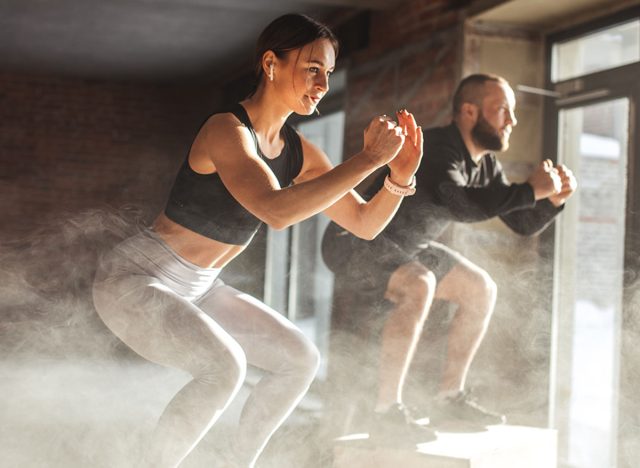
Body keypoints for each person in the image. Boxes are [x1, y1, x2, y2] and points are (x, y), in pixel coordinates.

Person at [92, 13, 424, 468]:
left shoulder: (300, 152)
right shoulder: (226, 131)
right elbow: (275, 209)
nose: (323, 84)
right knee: (224, 369)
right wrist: (368, 158)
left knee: (299, 358)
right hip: (135, 278)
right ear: (271, 64)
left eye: (328, 73)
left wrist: (398, 180)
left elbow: (364, 223)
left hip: (202, 286)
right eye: (312, 69)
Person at [322, 73, 577, 436]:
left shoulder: (486, 165)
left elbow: (521, 223)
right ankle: (385, 413)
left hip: (406, 247)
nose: (512, 121)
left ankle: (448, 399)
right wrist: (529, 189)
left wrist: (551, 201)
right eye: (503, 109)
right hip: (353, 240)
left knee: (480, 288)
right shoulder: (438, 148)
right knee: (419, 283)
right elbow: (461, 204)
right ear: (470, 112)